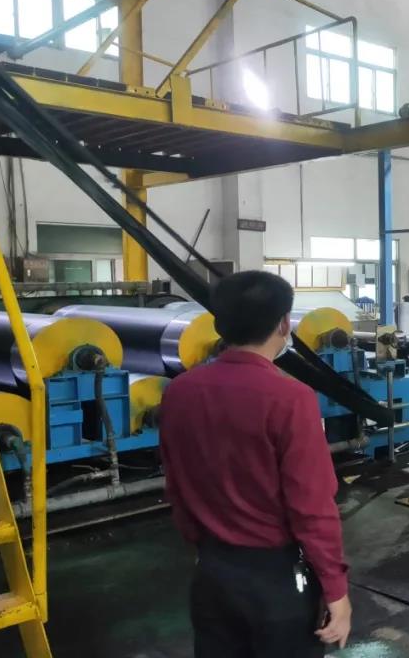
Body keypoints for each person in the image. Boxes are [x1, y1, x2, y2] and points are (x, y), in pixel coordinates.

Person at [160, 271, 351, 657]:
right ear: (284, 324)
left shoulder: (179, 391)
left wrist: (202, 546)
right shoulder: (291, 399)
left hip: (211, 575)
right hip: (276, 583)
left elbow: (175, 483)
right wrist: (336, 590)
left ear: (219, 325)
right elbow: (311, 506)